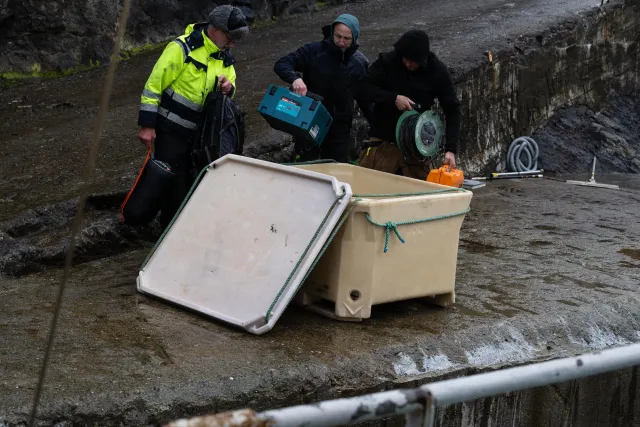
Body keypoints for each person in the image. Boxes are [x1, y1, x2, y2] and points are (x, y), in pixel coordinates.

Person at [135, 5, 249, 227]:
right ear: (215, 29)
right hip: (171, 131)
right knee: (167, 181)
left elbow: (231, 81)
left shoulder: (225, 57)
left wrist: (229, 88)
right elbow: (153, 86)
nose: (232, 44)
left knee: (188, 183)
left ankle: (177, 227)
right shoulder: (181, 48)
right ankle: (155, 224)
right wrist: (147, 125)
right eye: (230, 37)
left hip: (200, 135)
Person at [352, 29, 461, 179]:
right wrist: (393, 98)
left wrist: (451, 150)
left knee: (418, 194)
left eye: (413, 61)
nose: (407, 63)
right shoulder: (388, 61)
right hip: (382, 141)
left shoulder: (437, 71)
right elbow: (360, 88)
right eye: (405, 58)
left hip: (415, 147)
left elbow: (453, 109)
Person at [274, 14, 373, 163]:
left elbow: (366, 99)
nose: (341, 42)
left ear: (355, 38)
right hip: (308, 119)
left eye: (347, 39)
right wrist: (295, 78)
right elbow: (282, 64)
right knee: (304, 166)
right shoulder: (314, 51)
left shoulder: (360, 63)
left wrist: (377, 127)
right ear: (332, 32)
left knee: (336, 168)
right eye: (338, 36)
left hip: (339, 126)